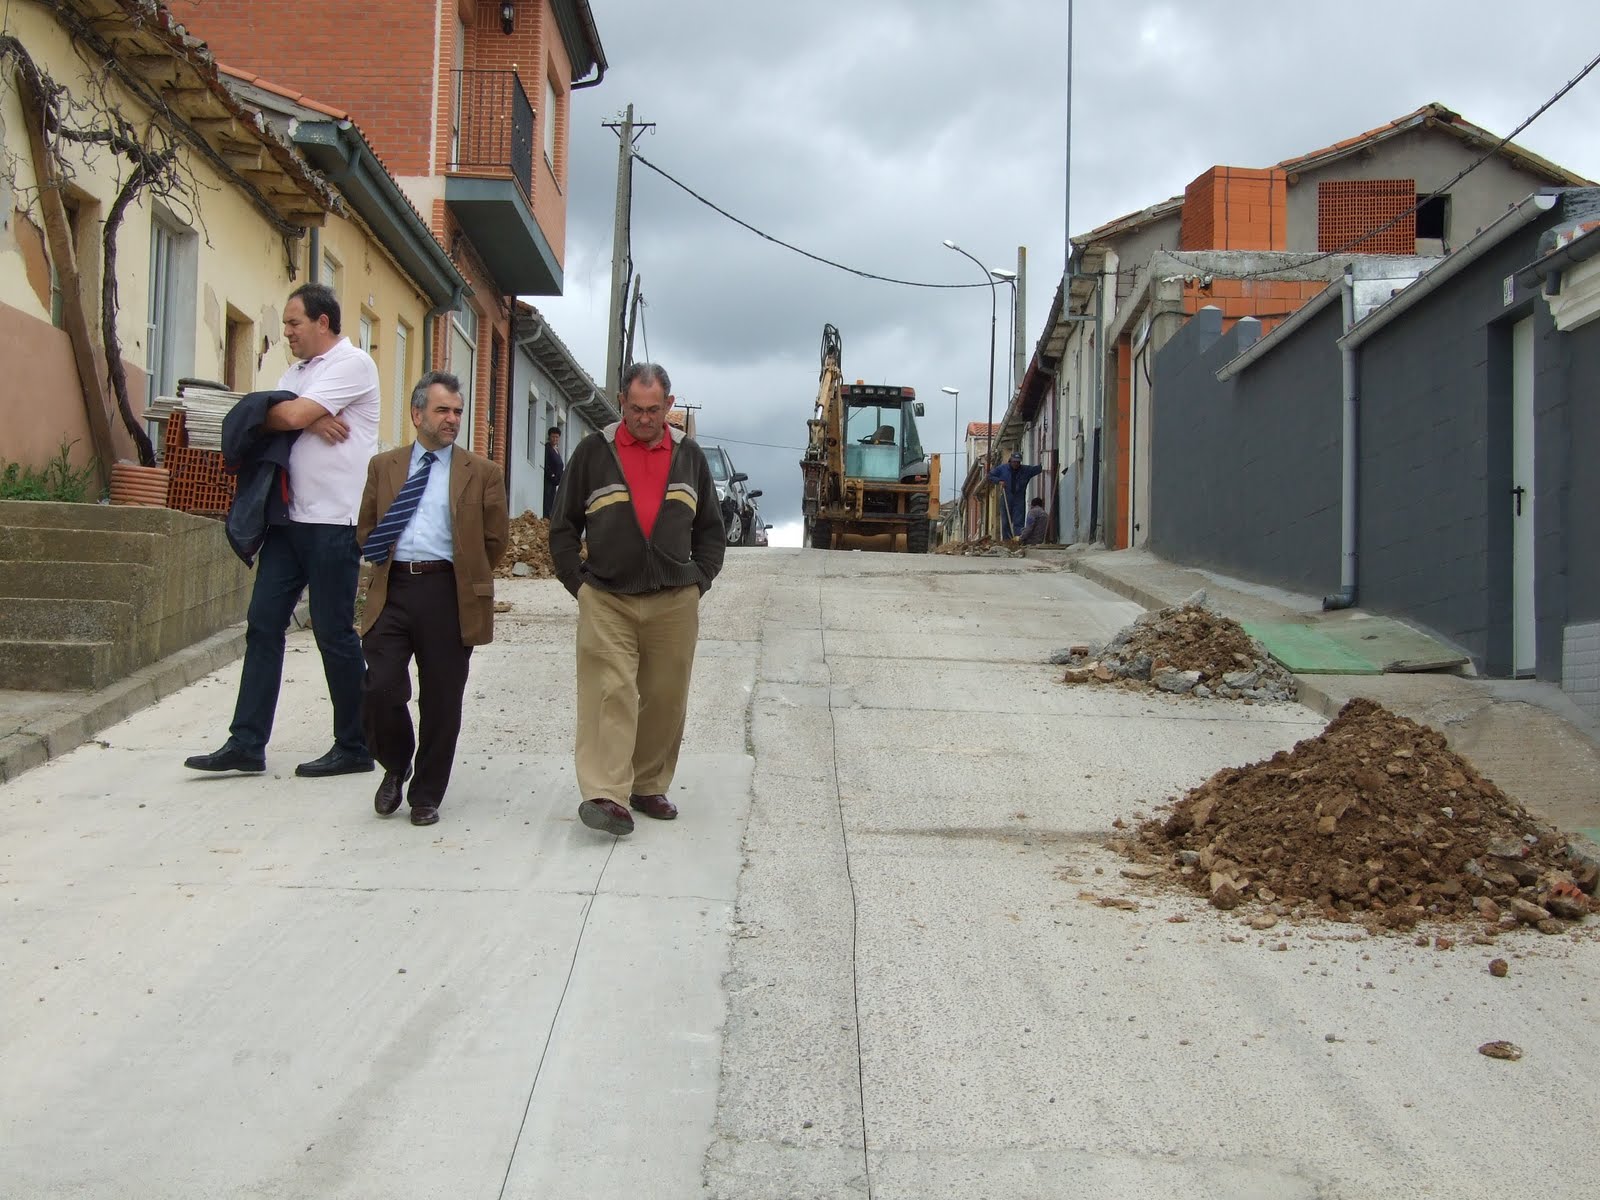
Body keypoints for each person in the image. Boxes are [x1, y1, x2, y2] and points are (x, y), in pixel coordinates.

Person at [185, 282, 378, 778]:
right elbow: (264, 410)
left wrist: (295, 416)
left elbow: (281, 412)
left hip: (333, 522)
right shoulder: (296, 371)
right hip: (288, 521)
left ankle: (355, 744)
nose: (286, 332)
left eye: (294, 323)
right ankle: (246, 743)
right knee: (263, 624)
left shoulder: (353, 364)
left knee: (334, 632)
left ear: (323, 322)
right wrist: (308, 420)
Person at [549, 362, 726, 837]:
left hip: (674, 599)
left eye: (654, 410)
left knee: (666, 696)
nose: (645, 419)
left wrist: (699, 581)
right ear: (622, 403)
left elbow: (711, 528)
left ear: (670, 407)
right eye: (635, 409)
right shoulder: (592, 453)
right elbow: (563, 527)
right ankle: (607, 795)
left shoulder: (690, 456)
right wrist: (579, 586)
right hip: (607, 597)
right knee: (613, 691)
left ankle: (648, 784)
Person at [357, 371, 509, 826]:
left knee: (442, 700)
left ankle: (426, 794)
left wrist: (467, 575)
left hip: (448, 593)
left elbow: (495, 540)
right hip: (394, 589)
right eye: (443, 410)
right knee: (379, 687)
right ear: (417, 412)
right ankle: (396, 762)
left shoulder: (482, 472)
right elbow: (367, 528)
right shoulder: (383, 467)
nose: (452, 419)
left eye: (458, 411)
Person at [987, 450, 1044, 540]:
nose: (1016, 464)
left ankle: (1018, 540)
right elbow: (990, 475)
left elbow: (1039, 468)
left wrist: (1044, 459)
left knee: (1019, 521)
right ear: (1010, 460)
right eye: (1014, 462)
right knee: (1005, 521)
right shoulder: (1002, 469)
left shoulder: (1025, 470)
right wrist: (999, 481)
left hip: (1019, 498)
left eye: (1018, 462)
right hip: (1006, 496)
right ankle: (1007, 541)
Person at [543, 426, 564, 518]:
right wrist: (552, 476)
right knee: (547, 501)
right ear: (549, 437)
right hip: (549, 481)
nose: (555, 439)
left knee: (553, 501)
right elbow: (546, 464)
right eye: (553, 437)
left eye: (557, 437)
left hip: (555, 482)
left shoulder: (556, 450)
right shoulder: (547, 448)